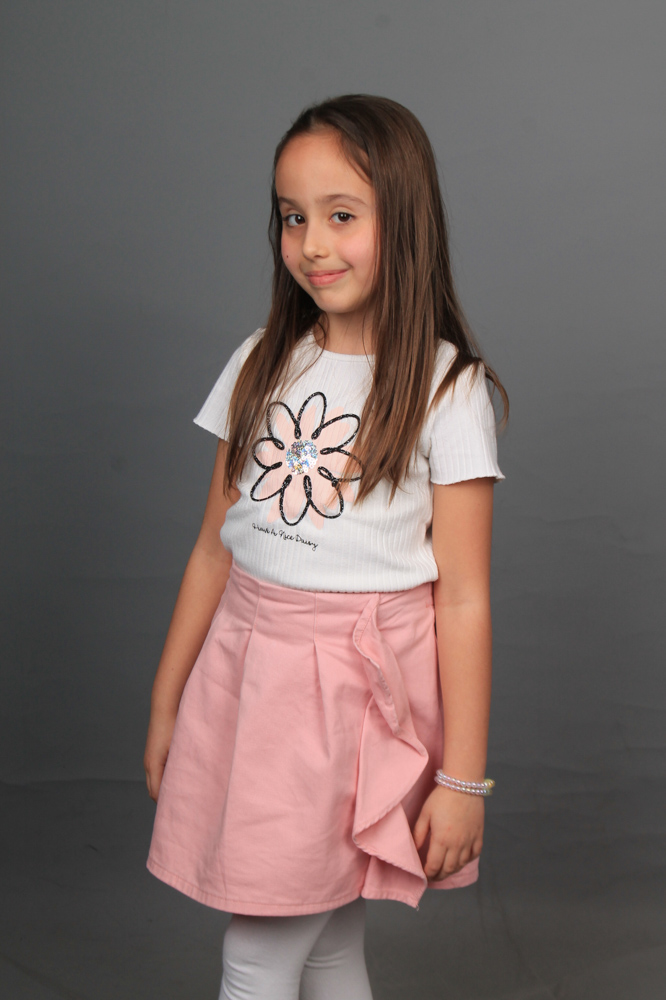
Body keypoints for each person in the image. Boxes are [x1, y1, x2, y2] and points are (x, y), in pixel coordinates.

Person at [144, 93, 508, 1000]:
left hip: (349, 700)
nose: (312, 245)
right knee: (328, 939)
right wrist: (166, 701)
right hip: (246, 676)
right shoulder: (262, 359)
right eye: (292, 217)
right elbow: (213, 551)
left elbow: (463, 597)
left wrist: (464, 779)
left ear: (405, 219)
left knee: (259, 952)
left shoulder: (446, 389)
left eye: (342, 216)